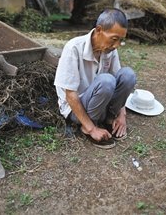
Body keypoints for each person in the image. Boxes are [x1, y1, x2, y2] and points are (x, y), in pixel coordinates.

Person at [54, 8, 136, 149]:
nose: (116, 45)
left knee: (128, 75)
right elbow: (70, 95)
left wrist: (122, 114)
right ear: (99, 30)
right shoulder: (73, 48)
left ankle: (110, 119)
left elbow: (119, 81)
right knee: (106, 81)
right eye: (114, 39)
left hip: (100, 99)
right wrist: (92, 129)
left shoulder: (110, 49)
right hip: (77, 108)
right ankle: (88, 126)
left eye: (120, 40)